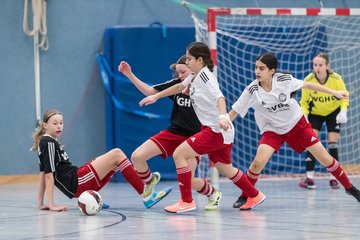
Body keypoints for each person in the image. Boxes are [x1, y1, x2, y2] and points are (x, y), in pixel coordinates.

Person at [139, 42, 266, 213]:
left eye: (190, 58)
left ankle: (186, 201)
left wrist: (222, 116)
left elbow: (220, 97)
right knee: (225, 168)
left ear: (200, 60)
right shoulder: (195, 77)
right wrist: (157, 97)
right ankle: (255, 195)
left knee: (179, 154)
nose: (187, 61)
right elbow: (178, 87)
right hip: (220, 131)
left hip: (216, 130)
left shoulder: (206, 78)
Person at [229, 53, 360, 208]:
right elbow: (234, 111)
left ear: (272, 71)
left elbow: (309, 85)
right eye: (256, 67)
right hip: (272, 130)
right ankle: (246, 195)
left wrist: (335, 93)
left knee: (326, 159)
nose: (257, 71)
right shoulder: (252, 90)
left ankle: (350, 188)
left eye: (261, 68)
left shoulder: (284, 80)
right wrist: (221, 124)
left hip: (297, 125)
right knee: (257, 162)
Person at [118, 56, 222, 211]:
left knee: (190, 180)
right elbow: (150, 90)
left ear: (193, 68)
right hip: (174, 132)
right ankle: (150, 181)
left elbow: (219, 99)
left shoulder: (204, 85)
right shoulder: (176, 85)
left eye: (183, 72)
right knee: (137, 156)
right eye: (178, 72)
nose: (179, 75)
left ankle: (213, 193)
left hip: (194, 137)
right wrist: (129, 75)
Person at [32, 109, 171, 212]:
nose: (59, 126)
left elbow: (42, 174)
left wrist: (40, 204)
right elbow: (48, 176)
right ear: (45, 126)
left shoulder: (46, 143)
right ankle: (146, 193)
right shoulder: (48, 143)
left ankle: (93, 197)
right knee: (117, 154)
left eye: (61, 123)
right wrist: (51, 205)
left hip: (77, 179)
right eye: (55, 123)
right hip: (77, 181)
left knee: (115, 163)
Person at [299, 53, 349, 189]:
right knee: (311, 142)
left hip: (333, 113)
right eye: (315, 65)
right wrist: (305, 116)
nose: (317, 68)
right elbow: (303, 102)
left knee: (332, 144)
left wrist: (343, 111)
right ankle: (309, 178)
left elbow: (345, 96)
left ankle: (334, 178)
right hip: (315, 114)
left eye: (320, 65)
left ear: (327, 66)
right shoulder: (309, 80)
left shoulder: (336, 79)